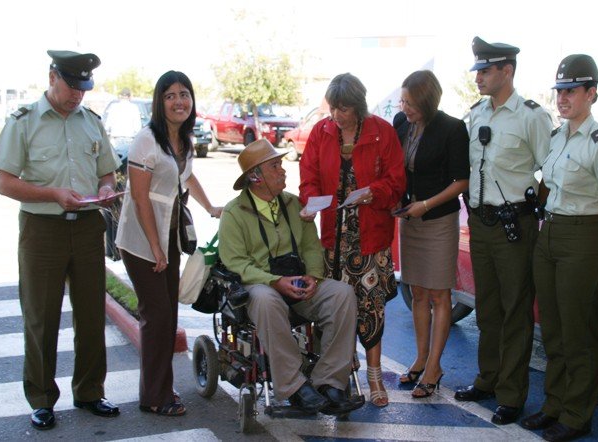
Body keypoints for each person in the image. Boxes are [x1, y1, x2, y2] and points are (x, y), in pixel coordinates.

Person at [0, 50, 121, 430]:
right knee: (41, 317)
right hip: (42, 229)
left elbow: (107, 173)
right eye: (71, 86)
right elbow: (5, 182)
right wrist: (53, 194)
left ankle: (89, 392)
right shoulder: (23, 121)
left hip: (86, 227)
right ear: (52, 77)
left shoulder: (91, 122)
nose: (78, 95)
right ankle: (42, 399)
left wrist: (105, 189)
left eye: (84, 88)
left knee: (90, 315)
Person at [521, 55, 598, 442]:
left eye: (570, 91)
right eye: (559, 91)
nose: (562, 98)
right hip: (550, 233)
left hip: (584, 238)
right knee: (551, 329)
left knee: (578, 333)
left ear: (591, 94)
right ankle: (554, 405)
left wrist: (585, 232)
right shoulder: (558, 136)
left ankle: (577, 415)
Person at [218, 139, 363, 416]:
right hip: (262, 286)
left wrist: (313, 276)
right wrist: (274, 281)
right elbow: (236, 263)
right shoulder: (234, 214)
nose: (283, 171)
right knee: (264, 298)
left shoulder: (294, 205)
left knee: (342, 294)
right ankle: (294, 387)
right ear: (255, 177)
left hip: (298, 283)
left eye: (281, 164)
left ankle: (329, 382)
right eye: (275, 166)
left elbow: (311, 246)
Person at [453, 37, 553, 426]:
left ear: (506, 71)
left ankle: (512, 394)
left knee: (515, 310)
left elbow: (552, 170)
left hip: (515, 224)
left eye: (484, 70)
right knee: (488, 308)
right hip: (480, 223)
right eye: (477, 70)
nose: (477, 77)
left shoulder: (531, 117)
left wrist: (530, 208)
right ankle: (488, 378)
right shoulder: (476, 113)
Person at [115, 71, 221, 416]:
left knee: (167, 314)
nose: (179, 101)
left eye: (184, 94)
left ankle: (159, 388)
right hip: (141, 240)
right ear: (160, 102)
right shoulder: (147, 139)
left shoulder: (184, 140)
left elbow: (187, 175)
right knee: (157, 315)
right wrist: (155, 248)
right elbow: (141, 199)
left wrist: (211, 208)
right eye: (170, 95)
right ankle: (155, 396)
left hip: (169, 237)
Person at [299, 73, 406, 407]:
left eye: (343, 109)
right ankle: (338, 373)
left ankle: (374, 377)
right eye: (334, 108)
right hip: (332, 239)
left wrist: (371, 193)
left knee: (371, 308)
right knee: (333, 309)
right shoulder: (322, 131)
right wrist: (312, 202)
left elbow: (396, 181)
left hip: (370, 238)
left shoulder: (382, 131)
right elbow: (309, 176)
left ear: (358, 106)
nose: (337, 116)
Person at [392, 70, 470, 398]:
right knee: (418, 292)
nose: (404, 107)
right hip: (409, 220)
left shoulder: (452, 129)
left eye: (409, 102)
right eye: (402, 100)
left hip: (437, 221)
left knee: (440, 295)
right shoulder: (400, 123)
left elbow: (461, 180)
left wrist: (425, 204)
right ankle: (420, 358)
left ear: (425, 101)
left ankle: (435, 366)